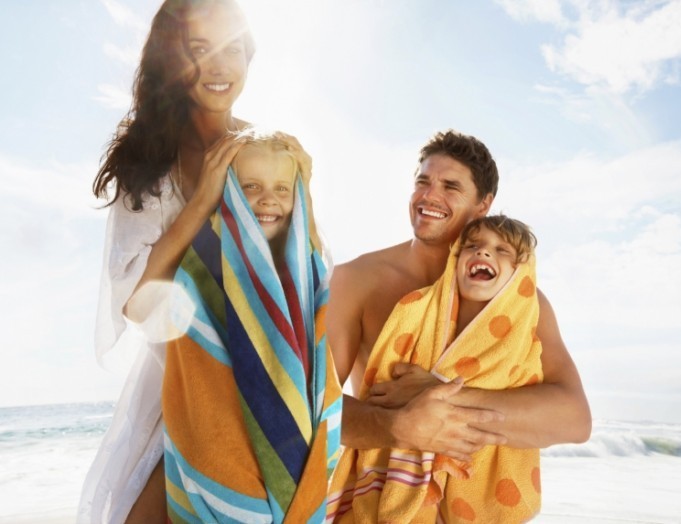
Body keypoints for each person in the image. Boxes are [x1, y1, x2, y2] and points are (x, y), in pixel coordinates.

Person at [78, 2, 314, 522]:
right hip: (180, 380)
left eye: (232, 48)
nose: (218, 66)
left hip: (263, 369)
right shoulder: (146, 159)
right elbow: (138, 303)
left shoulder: (265, 150)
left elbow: (300, 272)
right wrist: (206, 195)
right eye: (198, 50)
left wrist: (303, 193)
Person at [326, 130, 590, 473]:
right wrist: (396, 427)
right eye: (423, 182)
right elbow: (309, 405)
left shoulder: (519, 301)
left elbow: (574, 419)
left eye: (450, 187)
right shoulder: (355, 280)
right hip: (380, 498)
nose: (429, 195)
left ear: (483, 204)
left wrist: (438, 394)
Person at [161, 128, 341, 523]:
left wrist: (305, 188)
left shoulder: (301, 270)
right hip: (222, 436)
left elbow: (312, 248)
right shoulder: (206, 260)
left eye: (282, 188)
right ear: (228, 191)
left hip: (295, 436)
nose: (268, 199)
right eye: (251, 186)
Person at [328, 215, 544, 522]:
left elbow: (524, 391)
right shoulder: (414, 310)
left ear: (520, 274)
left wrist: (436, 389)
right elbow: (381, 384)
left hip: (471, 484)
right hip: (395, 461)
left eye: (502, 250)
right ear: (455, 259)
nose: (483, 253)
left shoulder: (520, 337)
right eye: (473, 245)